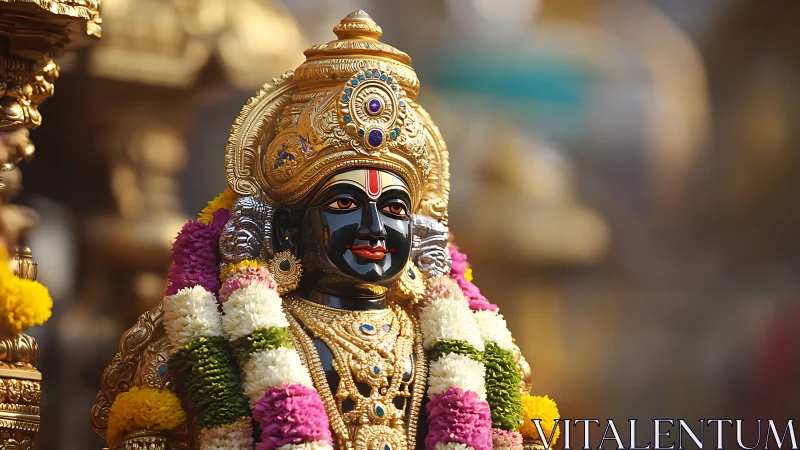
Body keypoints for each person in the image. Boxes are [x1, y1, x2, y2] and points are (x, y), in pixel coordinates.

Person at [91, 10, 558, 450]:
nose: (375, 228)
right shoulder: (207, 334)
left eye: (394, 208)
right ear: (289, 223)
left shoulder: (473, 347)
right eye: (344, 204)